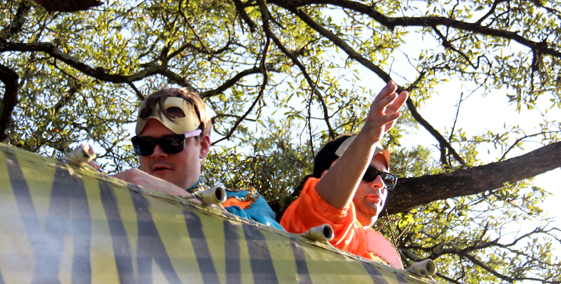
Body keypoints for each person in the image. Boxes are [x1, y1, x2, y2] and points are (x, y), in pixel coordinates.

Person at [112, 87, 282, 229]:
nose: (156, 152)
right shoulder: (117, 202)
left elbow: (279, 246)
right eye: (145, 144)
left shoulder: (242, 203)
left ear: (203, 146)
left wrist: (182, 200)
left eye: (171, 142)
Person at [280, 81, 406, 268]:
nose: (379, 183)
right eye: (366, 172)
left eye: (386, 178)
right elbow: (326, 209)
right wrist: (369, 137)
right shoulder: (306, 213)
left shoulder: (379, 252)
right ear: (325, 176)